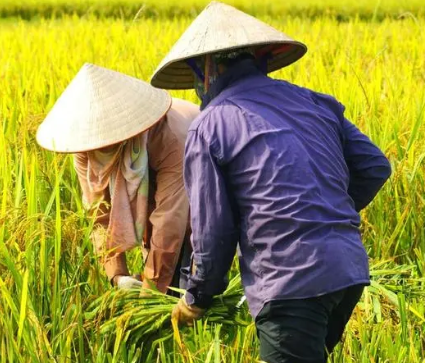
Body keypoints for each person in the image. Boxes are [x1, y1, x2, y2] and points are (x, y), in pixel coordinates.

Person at [152, 2, 391, 362]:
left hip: (291, 279)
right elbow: (375, 167)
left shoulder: (210, 124)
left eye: (198, 76)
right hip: (348, 271)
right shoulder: (315, 101)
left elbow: (213, 230)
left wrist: (197, 297)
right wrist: (318, 210)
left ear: (209, 69)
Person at [37, 63, 200, 293]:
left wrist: (151, 287)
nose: (102, 145)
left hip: (199, 179)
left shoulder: (168, 136)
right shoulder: (85, 151)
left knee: (187, 282)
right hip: (153, 185)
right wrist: (118, 275)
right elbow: (98, 214)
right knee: (158, 275)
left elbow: (170, 219)